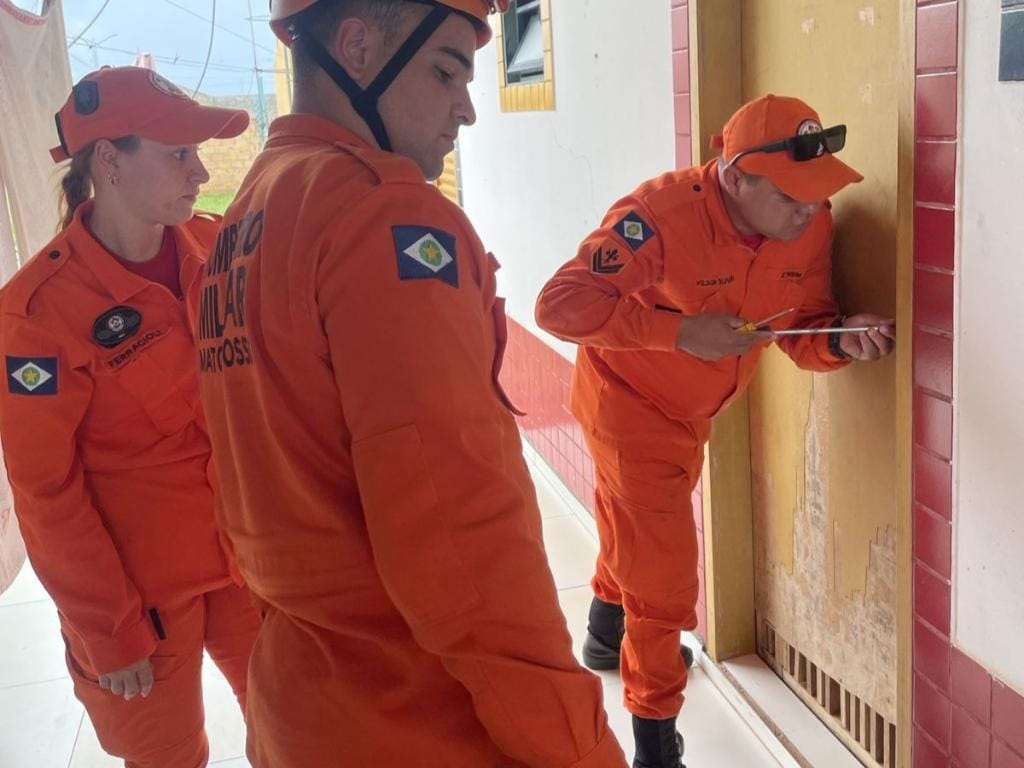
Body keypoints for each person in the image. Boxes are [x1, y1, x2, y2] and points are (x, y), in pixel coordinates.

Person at [195, 2, 626, 766]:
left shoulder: (249, 213)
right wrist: (581, 751)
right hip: (413, 717)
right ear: (356, 45)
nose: (466, 108)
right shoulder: (381, 218)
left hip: (300, 702)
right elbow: (462, 545)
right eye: (446, 71)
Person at [535, 94, 896, 768]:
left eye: (816, 191)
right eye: (789, 194)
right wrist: (679, 333)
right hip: (626, 405)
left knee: (635, 533)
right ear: (734, 176)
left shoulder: (812, 225)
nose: (808, 209)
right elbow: (560, 305)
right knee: (664, 579)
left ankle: (605, 632)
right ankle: (655, 742)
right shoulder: (658, 217)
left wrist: (843, 341)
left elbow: (804, 327)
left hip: (692, 414)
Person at [0, 67, 262, 768]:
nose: (200, 171)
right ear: (110, 161)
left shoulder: (219, 252)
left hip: (247, 562)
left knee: (296, 728)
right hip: (138, 597)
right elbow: (45, 490)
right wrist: (107, 628)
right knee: (167, 758)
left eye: (196, 151)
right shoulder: (38, 313)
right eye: (178, 153)